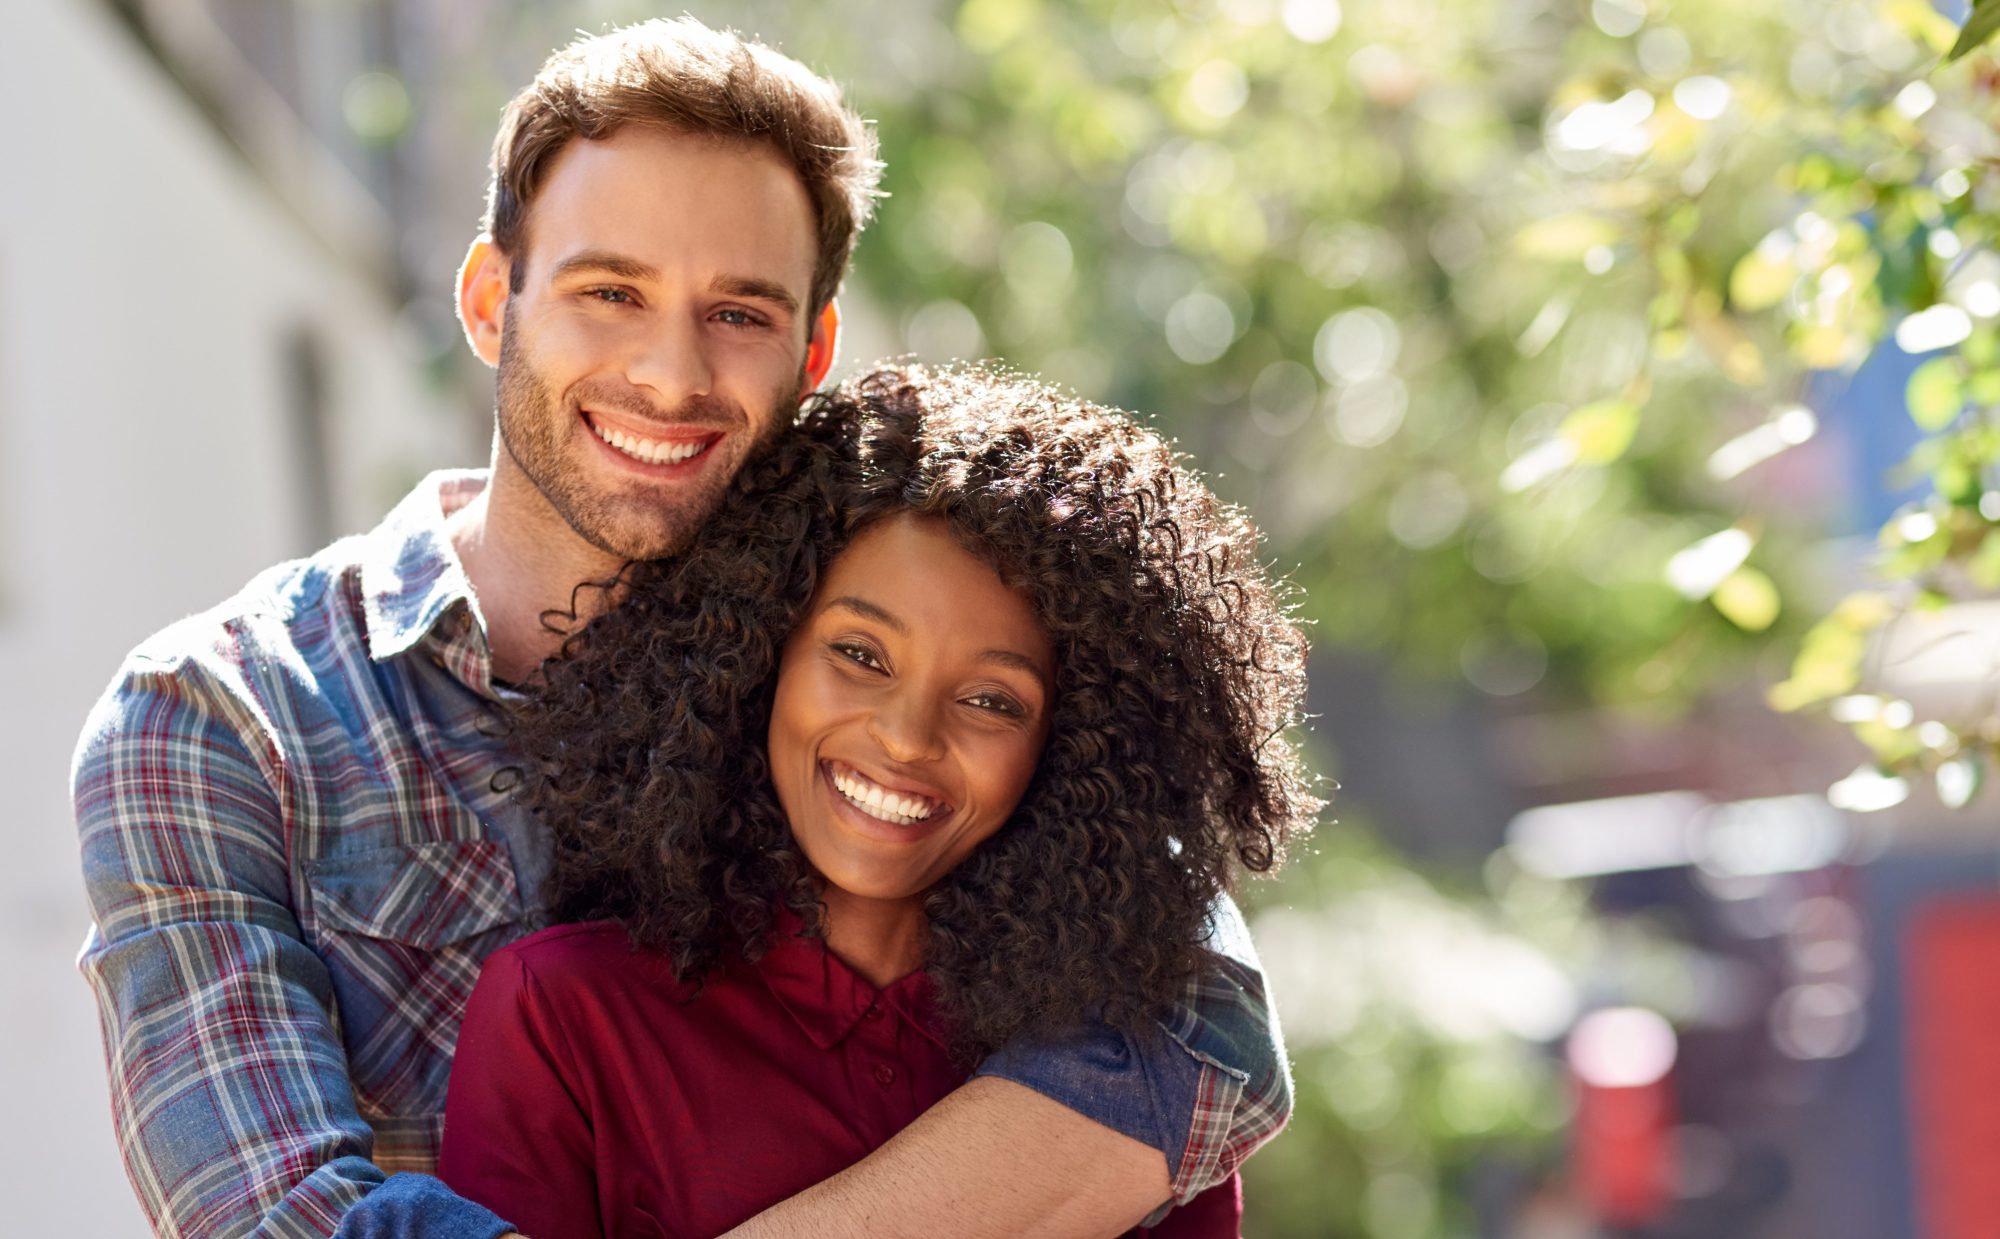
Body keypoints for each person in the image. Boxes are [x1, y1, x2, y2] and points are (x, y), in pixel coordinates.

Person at [72, 18, 1294, 1239]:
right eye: (610, 291)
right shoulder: (226, 717)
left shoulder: (855, 667)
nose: (669, 373)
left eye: (739, 314)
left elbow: (1197, 1022)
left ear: (811, 350)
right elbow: (277, 1216)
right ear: (492, 300)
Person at [435, 365, 1318, 1238]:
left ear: (1075, 746)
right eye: (860, 653)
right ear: (760, 647)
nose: (906, 737)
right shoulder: (561, 1016)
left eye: (992, 701)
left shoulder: (1130, 1077)